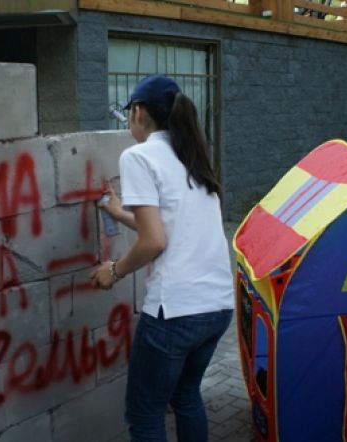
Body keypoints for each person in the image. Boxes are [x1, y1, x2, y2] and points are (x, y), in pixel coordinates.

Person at [90, 75, 234, 441]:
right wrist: (118, 211)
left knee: (145, 414)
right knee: (185, 397)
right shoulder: (192, 155)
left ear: (138, 112)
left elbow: (153, 241)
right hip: (217, 308)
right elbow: (168, 228)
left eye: (129, 115)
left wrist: (114, 270)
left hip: (175, 312)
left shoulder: (138, 156)